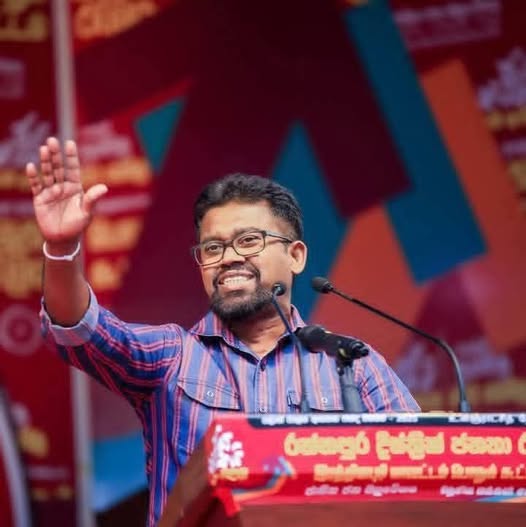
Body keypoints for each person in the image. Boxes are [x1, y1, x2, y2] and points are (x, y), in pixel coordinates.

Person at [26, 137, 420, 526]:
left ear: (296, 256)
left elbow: (422, 469)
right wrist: (62, 249)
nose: (228, 258)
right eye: (212, 248)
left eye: (248, 241)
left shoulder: (351, 363)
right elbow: (81, 330)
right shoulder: (172, 357)